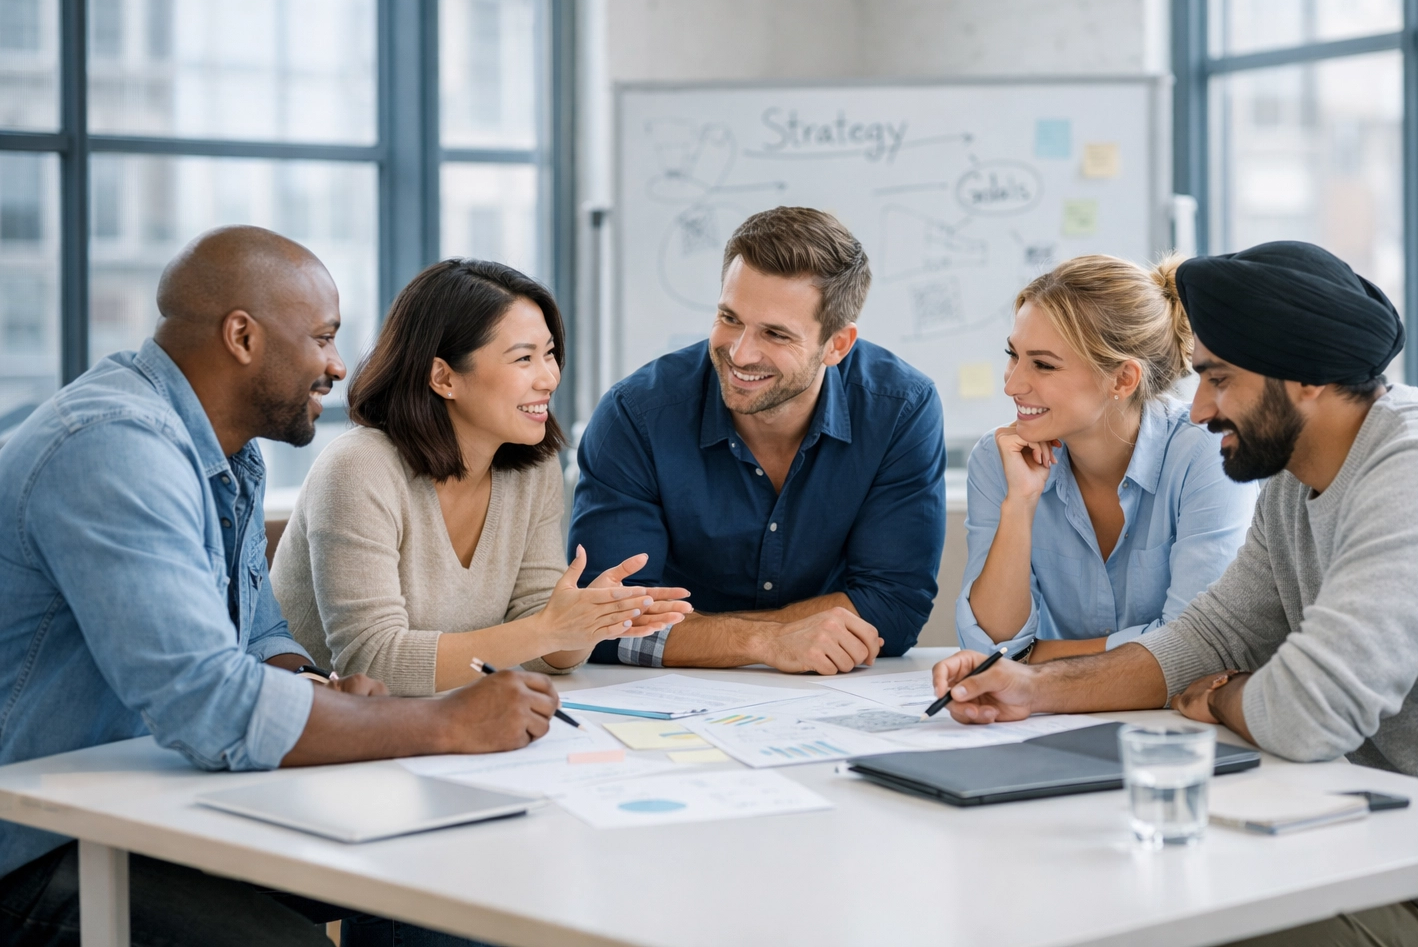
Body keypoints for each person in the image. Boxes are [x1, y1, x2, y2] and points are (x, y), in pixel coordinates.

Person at [930, 240, 1418, 945]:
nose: (1198, 411)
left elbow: (1310, 713)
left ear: (1304, 379)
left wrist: (1219, 696)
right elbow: (1207, 640)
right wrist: (1034, 689)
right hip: (1411, 846)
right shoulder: (1295, 477)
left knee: (1181, 929)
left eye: (1219, 380)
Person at [0, 227, 567, 947]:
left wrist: (313, 685)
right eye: (324, 338)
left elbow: (260, 637)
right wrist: (447, 722)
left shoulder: (229, 455)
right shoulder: (114, 448)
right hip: (41, 843)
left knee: (445, 885)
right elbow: (207, 700)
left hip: (159, 801)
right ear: (243, 336)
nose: (336, 366)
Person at [273, 259, 691, 696]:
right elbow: (372, 663)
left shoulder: (531, 465)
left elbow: (535, 638)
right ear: (444, 377)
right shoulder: (359, 468)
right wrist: (548, 629)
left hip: (435, 719)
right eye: (524, 358)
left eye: (549, 353)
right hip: (315, 732)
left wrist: (588, 624)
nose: (549, 377)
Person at [569, 206, 946, 672]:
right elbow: (602, 622)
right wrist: (767, 641)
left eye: (775, 333)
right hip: (670, 705)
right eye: (729, 318)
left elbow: (894, 609)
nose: (740, 352)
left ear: (837, 345)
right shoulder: (637, 414)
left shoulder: (900, 409)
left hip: (823, 700)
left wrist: (702, 634)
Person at [957, 255, 1257, 662]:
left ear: (1122, 379)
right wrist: (1020, 504)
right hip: (1051, 711)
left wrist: (1037, 655)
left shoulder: (1206, 453)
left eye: (1043, 365)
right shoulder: (1000, 460)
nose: (1012, 385)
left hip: (1171, 719)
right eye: (1014, 355)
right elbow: (989, 646)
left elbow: (1196, 649)